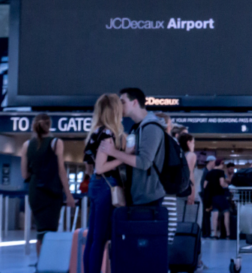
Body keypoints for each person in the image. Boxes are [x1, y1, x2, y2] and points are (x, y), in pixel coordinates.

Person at [99, 88, 167, 207]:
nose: (119, 106)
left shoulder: (151, 128)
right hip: (138, 196)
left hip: (148, 198)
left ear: (135, 102)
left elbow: (144, 162)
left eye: (123, 102)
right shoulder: (137, 128)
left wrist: (113, 152)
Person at [20, 113, 76, 257]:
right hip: (51, 192)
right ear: (49, 125)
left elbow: (24, 174)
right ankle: (47, 264)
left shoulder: (26, 145)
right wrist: (69, 195)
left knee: (41, 230)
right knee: (50, 230)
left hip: (35, 193)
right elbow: (61, 171)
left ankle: (42, 263)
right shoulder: (56, 142)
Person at [82, 94, 126, 273]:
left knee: (93, 237)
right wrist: (122, 158)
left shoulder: (95, 131)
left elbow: (91, 166)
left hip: (96, 185)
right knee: (99, 238)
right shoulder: (107, 133)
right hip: (105, 186)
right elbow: (101, 167)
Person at [203, 159, 232, 239]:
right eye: (223, 164)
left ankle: (214, 234)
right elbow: (222, 183)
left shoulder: (209, 173)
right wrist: (228, 186)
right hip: (220, 195)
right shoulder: (220, 172)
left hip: (212, 197)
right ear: (221, 164)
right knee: (226, 213)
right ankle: (228, 234)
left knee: (214, 215)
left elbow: (204, 186)